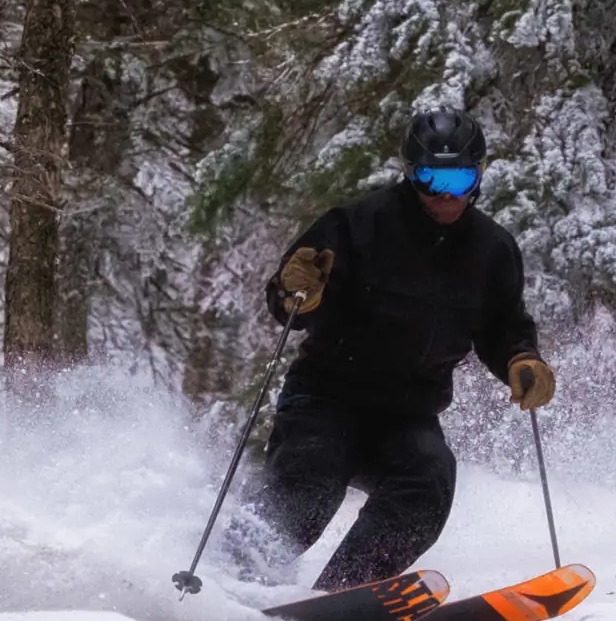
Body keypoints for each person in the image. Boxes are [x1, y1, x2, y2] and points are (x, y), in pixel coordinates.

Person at [226, 108, 556, 591]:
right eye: (430, 177)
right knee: (312, 482)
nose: (445, 193)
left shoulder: (493, 249)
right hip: (324, 400)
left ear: (479, 175)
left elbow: (503, 326)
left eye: (459, 177)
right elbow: (290, 305)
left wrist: (521, 361)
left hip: (406, 414)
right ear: (410, 174)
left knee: (429, 480)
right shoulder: (355, 226)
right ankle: (230, 575)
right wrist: (295, 292)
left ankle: (344, 590)